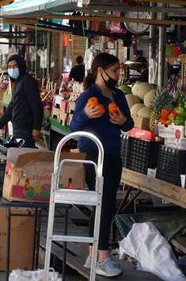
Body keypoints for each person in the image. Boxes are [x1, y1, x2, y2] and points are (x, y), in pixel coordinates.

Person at [70, 52, 134, 277]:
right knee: (104, 203)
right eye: (115, 70)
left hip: (114, 154)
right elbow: (73, 127)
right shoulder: (88, 96)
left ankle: (92, 254)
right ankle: (103, 256)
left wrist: (122, 121)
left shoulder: (117, 95)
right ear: (101, 71)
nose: (118, 74)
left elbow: (129, 125)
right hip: (93, 153)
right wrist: (86, 114)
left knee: (104, 203)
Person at [0, 55, 42, 148]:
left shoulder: (28, 81)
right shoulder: (18, 83)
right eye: (9, 67)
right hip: (18, 128)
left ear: (21, 66)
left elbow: (37, 105)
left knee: (22, 159)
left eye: (14, 66)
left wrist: (36, 128)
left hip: (25, 128)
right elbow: (11, 107)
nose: (12, 69)